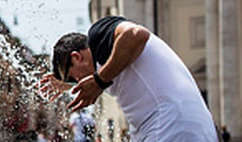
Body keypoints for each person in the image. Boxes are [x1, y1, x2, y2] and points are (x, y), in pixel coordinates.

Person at [40, 16, 216, 141]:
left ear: (77, 57)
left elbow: (135, 34)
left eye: (73, 78)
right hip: (178, 125)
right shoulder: (109, 65)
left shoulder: (98, 36)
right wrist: (67, 84)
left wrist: (99, 81)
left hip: (171, 125)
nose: (78, 83)